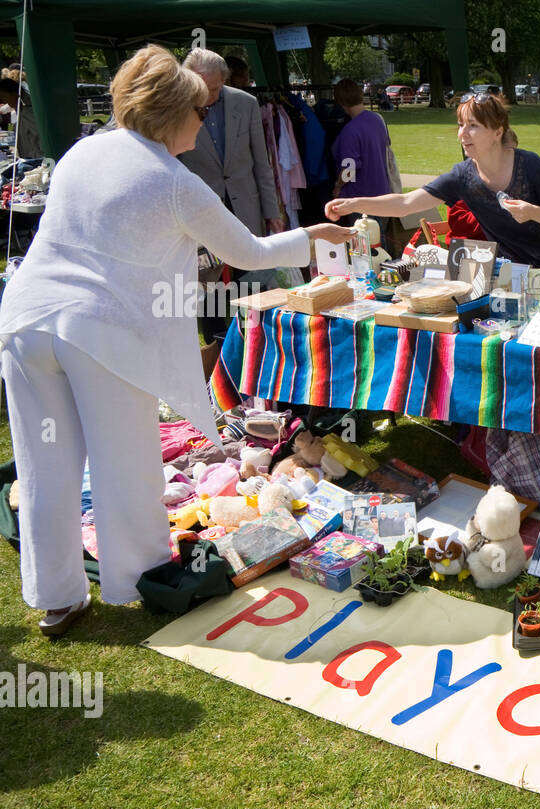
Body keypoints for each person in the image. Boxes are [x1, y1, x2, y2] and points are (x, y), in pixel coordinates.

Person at [0, 45, 352, 637]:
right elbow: (250, 253)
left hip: (25, 322)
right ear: (174, 114)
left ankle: (55, 597)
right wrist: (313, 237)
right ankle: (140, 581)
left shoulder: (83, 153)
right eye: (200, 111)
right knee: (127, 464)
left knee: (44, 466)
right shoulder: (173, 181)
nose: (204, 121)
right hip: (98, 332)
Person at [324, 92, 540, 294]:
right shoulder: (462, 176)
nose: (462, 134)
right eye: (460, 125)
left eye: (472, 126)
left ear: (497, 131)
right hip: (525, 274)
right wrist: (352, 202)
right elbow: (406, 203)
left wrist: (531, 212)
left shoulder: (531, 165)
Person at [177, 48, 282, 238]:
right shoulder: (177, 108)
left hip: (246, 210)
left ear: (225, 79)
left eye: (216, 88)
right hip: (201, 213)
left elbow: (261, 163)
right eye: (203, 88)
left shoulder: (247, 104)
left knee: (251, 267)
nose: (210, 96)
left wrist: (272, 211)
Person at [329, 79, 392, 236]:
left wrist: (337, 186)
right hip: (382, 192)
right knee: (379, 241)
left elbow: (349, 169)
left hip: (361, 198)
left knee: (367, 247)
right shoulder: (377, 120)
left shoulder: (350, 131)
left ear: (341, 102)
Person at [0, 76, 40, 157]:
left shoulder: (28, 110)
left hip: (37, 158)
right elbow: (12, 127)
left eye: (3, 97)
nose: (3, 101)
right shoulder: (15, 109)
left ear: (14, 93)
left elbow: (38, 138)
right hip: (28, 156)